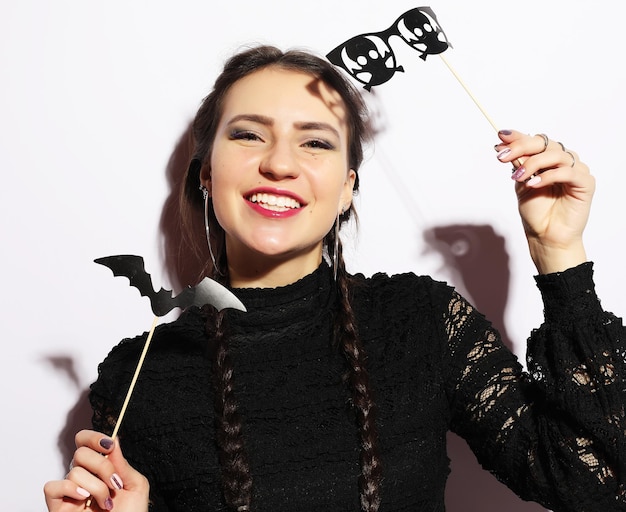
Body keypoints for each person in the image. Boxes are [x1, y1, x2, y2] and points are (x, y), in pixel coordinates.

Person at [43, 45, 626, 512]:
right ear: (206, 173)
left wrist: (561, 254)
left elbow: (593, 486)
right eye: (248, 134)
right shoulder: (139, 373)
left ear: (347, 186)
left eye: (315, 142)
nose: (280, 163)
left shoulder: (419, 321)